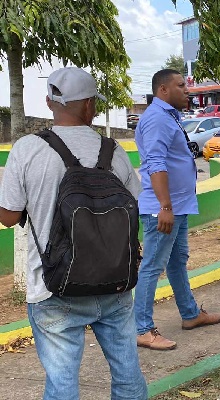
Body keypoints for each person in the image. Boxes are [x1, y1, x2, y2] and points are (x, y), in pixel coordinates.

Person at [0, 67, 147, 399]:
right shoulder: (114, 151)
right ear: (90, 106)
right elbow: (135, 207)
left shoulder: (26, 150)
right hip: (115, 283)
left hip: (53, 287)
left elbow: (8, 217)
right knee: (127, 376)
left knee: (62, 384)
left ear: (50, 103)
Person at [134, 69, 220, 351]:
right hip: (163, 208)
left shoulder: (168, 116)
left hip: (178, 206)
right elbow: (155, 164)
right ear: (163, 89)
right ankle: (142, 329)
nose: (187, 90)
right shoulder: (157, 120)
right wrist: (165, 206)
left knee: (176, 262)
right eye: (181, 85)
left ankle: (190, 314)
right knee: (152, 266)